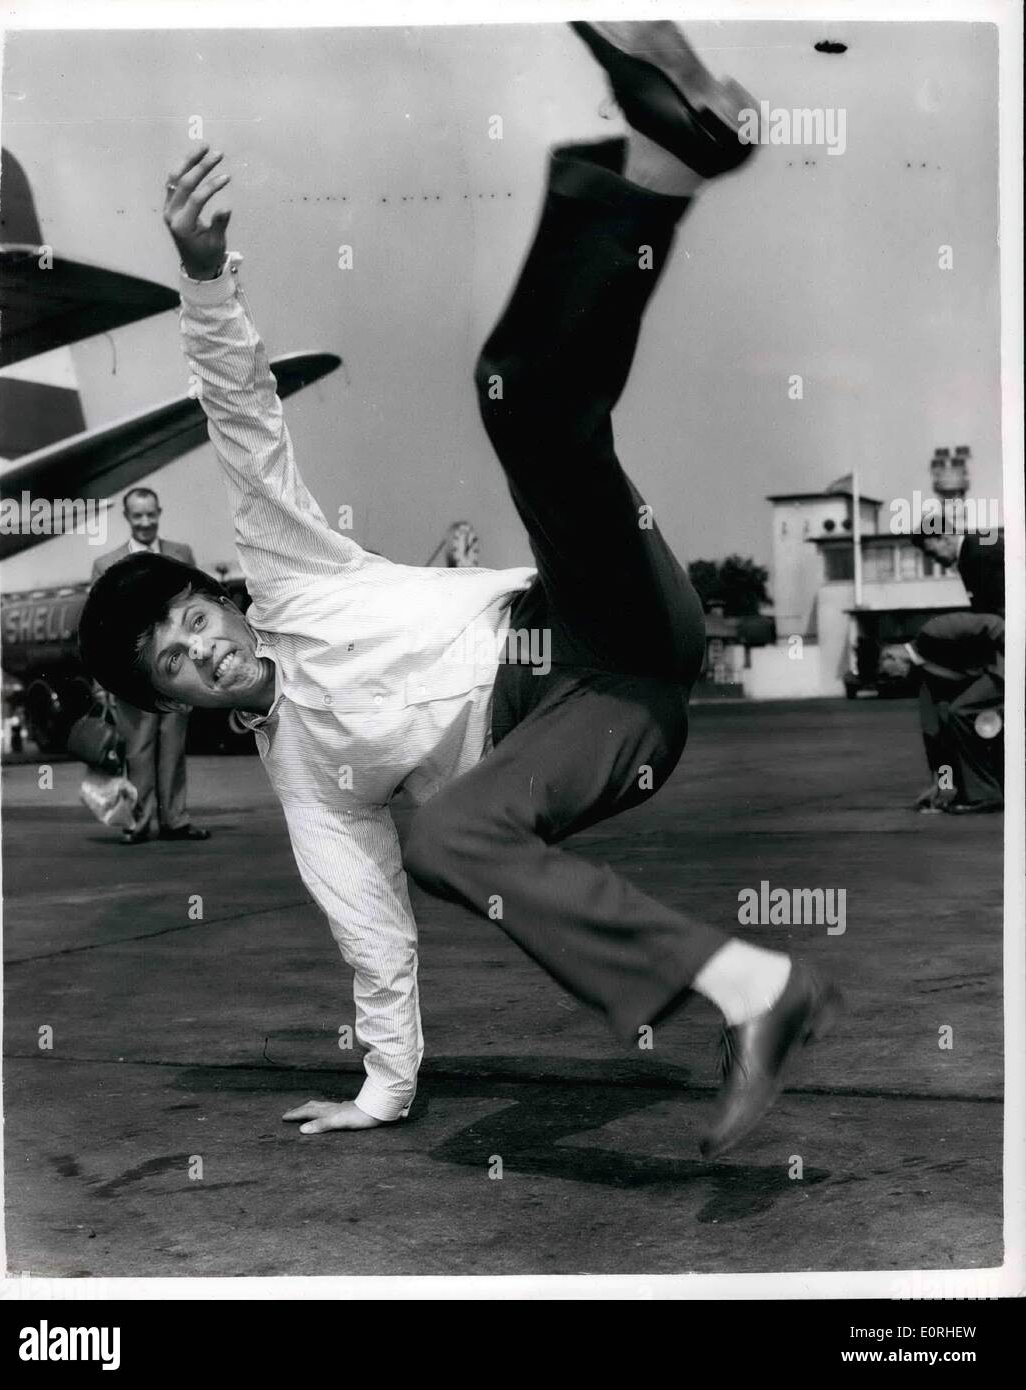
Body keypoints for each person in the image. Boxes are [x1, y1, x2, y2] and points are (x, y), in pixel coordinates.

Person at [79, 21, 841, 1157]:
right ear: (172, 704)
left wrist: (201, 275)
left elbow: (242, 417)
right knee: (442, 839)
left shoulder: (290, 573)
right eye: (175, 666)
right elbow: (372, 933)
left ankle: (671, 155)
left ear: (224, 597)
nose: (204, 653)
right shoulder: (308, 786)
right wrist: (380, 1091)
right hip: (592, 724)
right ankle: (750, 988)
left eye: (195, 620)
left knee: (518, 397)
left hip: (585, 613)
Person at [91, 488, 211, 845]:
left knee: (173, 745)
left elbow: (197, 608)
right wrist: (102, 681)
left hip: (177, 670)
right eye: (137, 516)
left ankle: (175, 820)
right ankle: (139, 823)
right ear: (127, 518)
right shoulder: (105, 565)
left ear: (159, 512)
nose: (145, 522)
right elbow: (98, 629)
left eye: (150, 514)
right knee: (138, 748)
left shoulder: (181, 554)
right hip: (133, 674)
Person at [879, 609, 1005, 814]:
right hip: (992, 687)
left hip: (1004, 668)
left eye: (889, 673)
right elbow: (935, 738)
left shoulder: (933, 630)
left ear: (892, 655)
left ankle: (987, 794)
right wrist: (943, 786)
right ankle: (986, 792)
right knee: (948, 722)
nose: (895, 680)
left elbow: (994, 624)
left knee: (960, 711)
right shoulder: (927, 682)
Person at [910, 528, 1005, 617]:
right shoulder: (971, 548)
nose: (934, 561)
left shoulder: (977, 553)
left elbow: (997, 605)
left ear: (945, 538)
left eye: (932, 553)